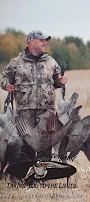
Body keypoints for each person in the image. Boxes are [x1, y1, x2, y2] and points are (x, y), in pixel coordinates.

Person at [0, 30, 68, 163]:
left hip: (48, 111)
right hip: (24, 111)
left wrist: (61, 81)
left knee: (47, 143)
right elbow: (3, 78)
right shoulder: (16, 62)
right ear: (31, 41)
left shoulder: (51, 62)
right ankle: (27, 176)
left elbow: (57, 81)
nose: (45, 43)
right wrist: (6, 85)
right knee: (25, 144)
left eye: (45, 40)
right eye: (42, 40)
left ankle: (44, 176)